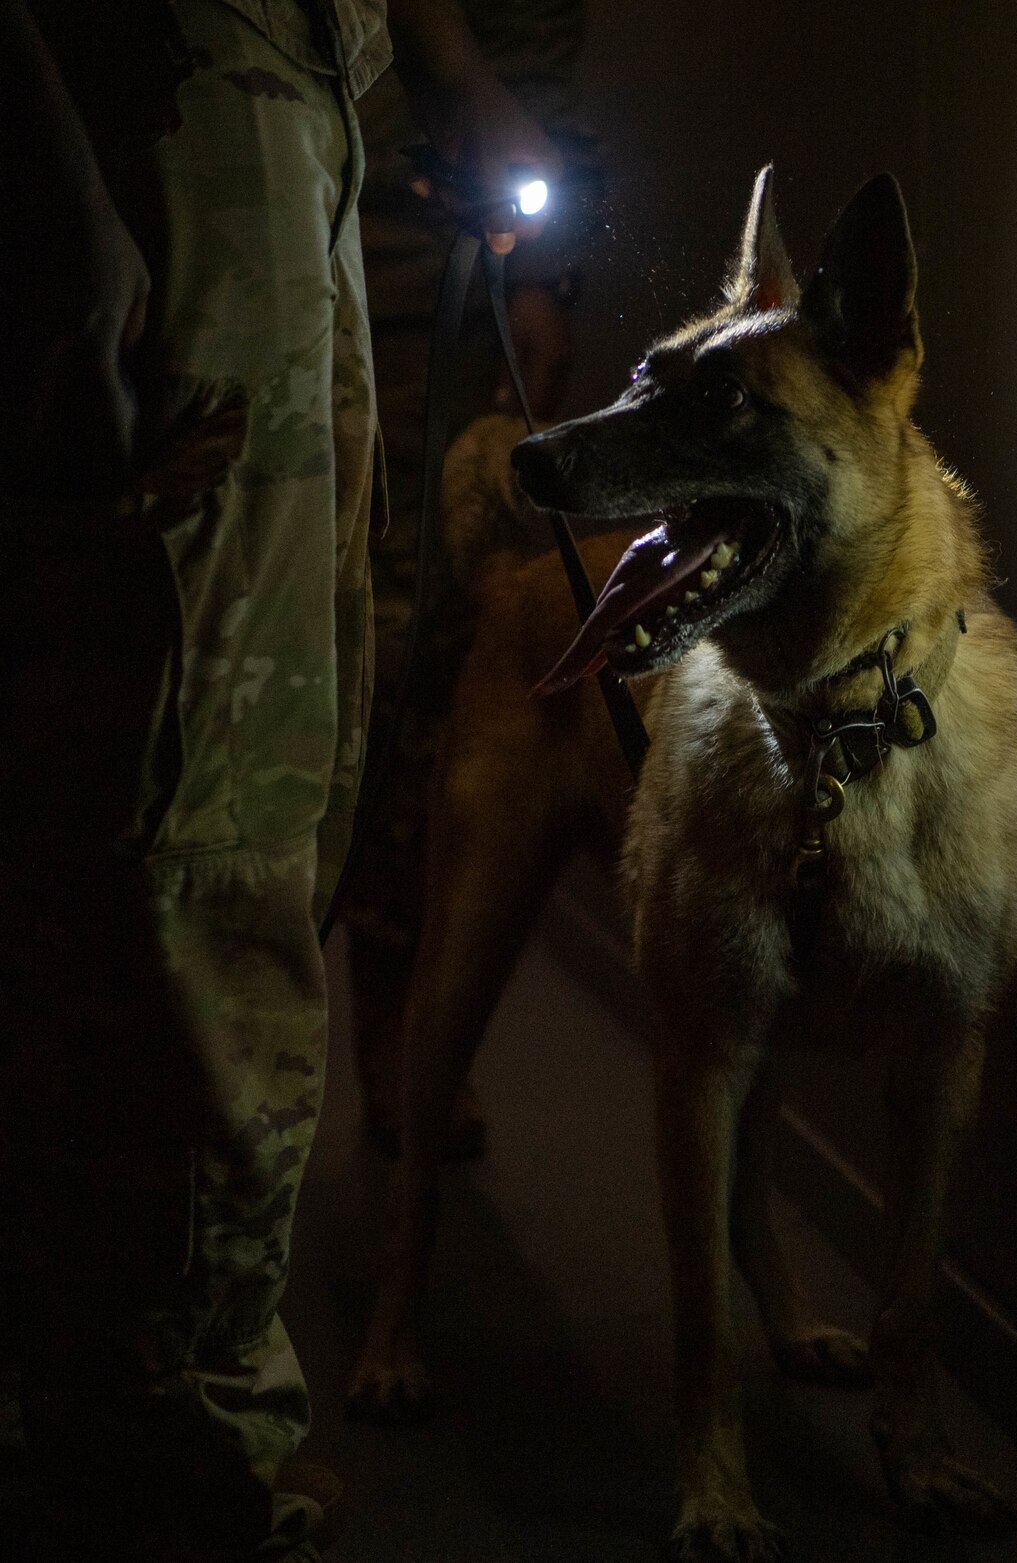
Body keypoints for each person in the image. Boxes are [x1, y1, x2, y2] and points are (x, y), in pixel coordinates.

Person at [0, 2, 554, 1556]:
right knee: (195, 831)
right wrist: (62, 202)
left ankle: (145, 1411)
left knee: (285, 789)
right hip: (158, 120)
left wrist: (427, 70)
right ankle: (160, 1454)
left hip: (292, 97)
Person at [342, 0, 594, 1156]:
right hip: (256, 223)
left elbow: (535, 51)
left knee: (418, 669)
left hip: (421, 270)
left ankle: (401, 1029)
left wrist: (538, 274)